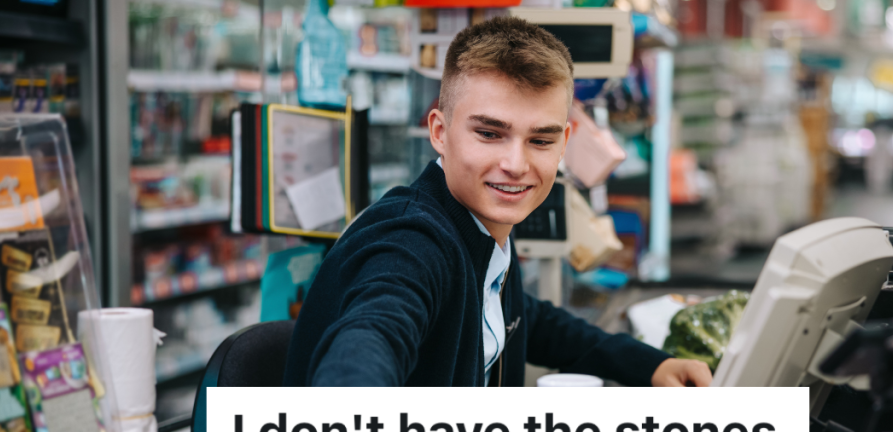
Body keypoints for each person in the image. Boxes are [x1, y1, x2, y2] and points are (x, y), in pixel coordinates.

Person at [283, 16, 713, 388]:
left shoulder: (482, 234)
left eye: (540, 140)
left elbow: (528, 319)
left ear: (563, 143)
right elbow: (372, 332)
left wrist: (652, 366)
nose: (516, 164)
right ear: (439, 131)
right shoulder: (411, 240)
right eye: (489, 134)